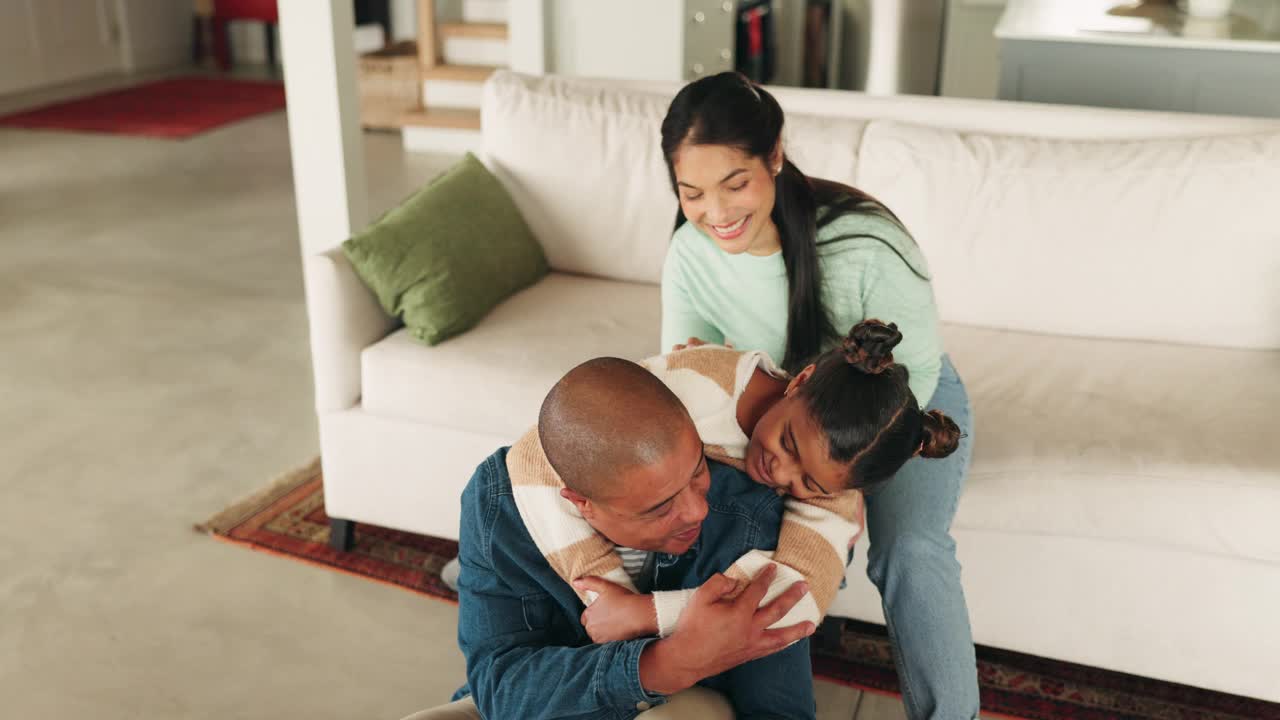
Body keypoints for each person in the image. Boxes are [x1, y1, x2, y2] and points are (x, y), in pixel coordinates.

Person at [658, 72, 978, 720]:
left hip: (897, 411)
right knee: (722, 503)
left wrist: (847, 481)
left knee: (909, 550)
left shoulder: (865, 244)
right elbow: (688, 377)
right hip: (781, 415)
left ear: (774, 155)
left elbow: (905, 378)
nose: (715, 214)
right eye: (691, 193)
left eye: (735, 184)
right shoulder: (691, 254)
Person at [505, 320, 961, 646]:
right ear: (798, 381)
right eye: (788, 442)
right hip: (617, 564)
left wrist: (647, 615)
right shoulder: (700, 384)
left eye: (810, 483)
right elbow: (535, 455)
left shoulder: (837, 491)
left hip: (690, 590)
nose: (781, 473)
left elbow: (798, 600)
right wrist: (608, 594)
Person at [444, 358, 818, 720]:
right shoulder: (500, 503)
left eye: (697, 470)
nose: (697, 511)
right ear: (581, 502)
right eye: (659, 507)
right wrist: (664, 664)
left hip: (690, 703)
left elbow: (780, 711)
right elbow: (502, 689)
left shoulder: (749, 502)